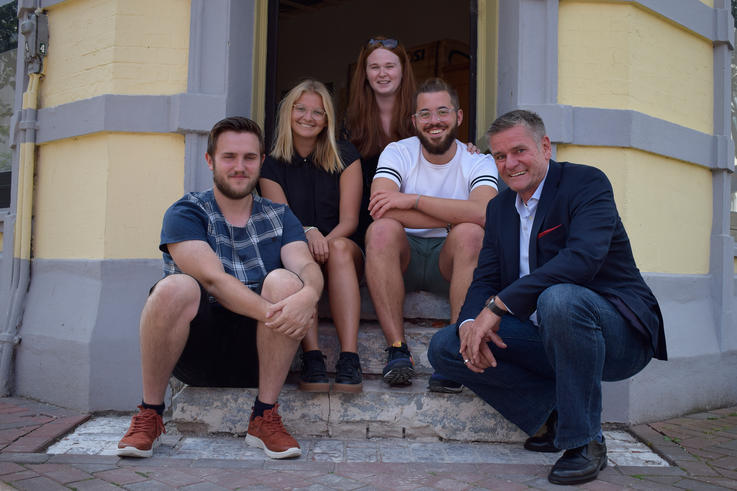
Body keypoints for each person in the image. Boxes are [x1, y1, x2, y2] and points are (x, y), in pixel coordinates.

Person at [428, 110, 667, 485]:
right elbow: (485, 277)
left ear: (544, 147)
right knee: (447, 344)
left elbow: (582, 260)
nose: (510, 164)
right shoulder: (499, 208)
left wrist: (500, 305)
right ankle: (554, 415)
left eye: (519, 151)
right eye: (500, 156)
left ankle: (585, 441)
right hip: (544, 337)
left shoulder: (586, 183)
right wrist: (472, 321)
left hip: (616, 333)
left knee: (559, 298)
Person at [116, 117, 323, 460]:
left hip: (262, 356)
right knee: (174, 287)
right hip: (198, 353)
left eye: (249, 158)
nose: (240, 167)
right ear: (210, 160)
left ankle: (264, 416)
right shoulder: (187, 211)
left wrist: (309, 296)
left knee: (288, 282)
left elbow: (307, 266)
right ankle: (150, 414)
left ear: (261, 161)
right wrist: (282, 314)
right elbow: (214, 280)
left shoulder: (280, 216)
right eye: (229, 157)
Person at [365, 78, 498, 388]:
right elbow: (381, 207)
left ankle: (454, 353)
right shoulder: (397, 152)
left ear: (458, 117)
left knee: (470, 234)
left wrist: (413, 200)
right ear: (414, 121)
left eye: (442, 112)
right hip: (403, 257)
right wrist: (454, 214)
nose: (434, 121)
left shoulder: (478, 161)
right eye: (425, 114)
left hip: (449, 259)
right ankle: (397, 351)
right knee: (381, 230)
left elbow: (483, 213)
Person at [260, 79, 364, 393]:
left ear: (327, 119)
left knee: (342, 249)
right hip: (298, 250)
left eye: (318, 112)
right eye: (301, 109)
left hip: (343, 251)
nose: (308, 117)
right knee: (297, 257)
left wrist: (325, 242)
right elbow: (283, 220)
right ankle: (313, 356)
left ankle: (349, 356)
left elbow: (349, 220)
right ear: (288, 113)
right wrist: (308, 233)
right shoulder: (271, 165)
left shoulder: (346, 155)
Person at [344, 36, 417, 248]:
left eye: (390, 66)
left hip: (415, 221)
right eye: (374, 67)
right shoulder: (351, 120)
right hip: (363, 221)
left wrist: (466, 149)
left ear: (403, 69)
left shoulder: (422, 114)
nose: (382, 74)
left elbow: (446, 153)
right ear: (365, 74)